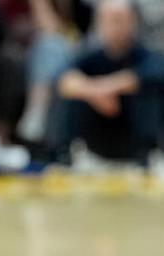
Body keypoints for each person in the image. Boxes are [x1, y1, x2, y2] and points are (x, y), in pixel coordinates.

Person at [54, 0, 164, 166]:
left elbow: (151, 74)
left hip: (135, 139)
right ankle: (65, 157)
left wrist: (105, 88)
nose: (117, 26)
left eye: (121, 19)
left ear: (133, 21)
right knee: (73, 96)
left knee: (150, 91)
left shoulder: (144, 54)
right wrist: (94, 94)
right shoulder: (89, 56)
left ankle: (149, 157)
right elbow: (64, 81)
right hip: (98, 139)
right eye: (111, 20)